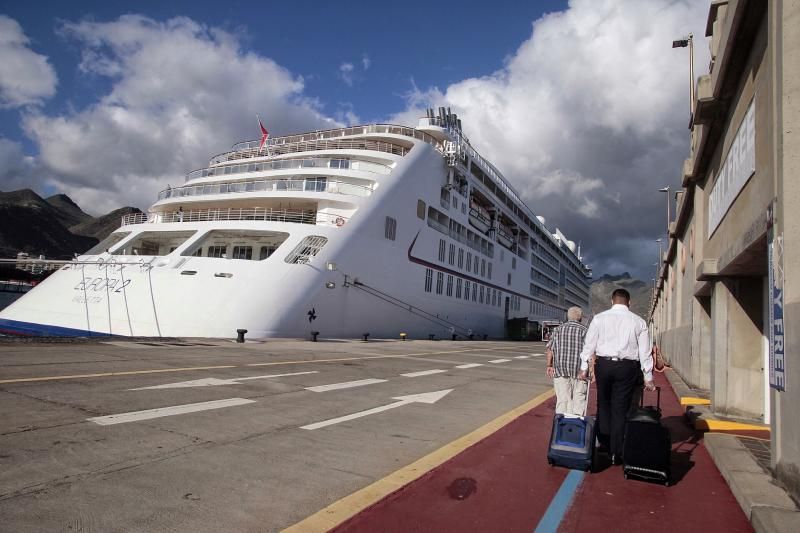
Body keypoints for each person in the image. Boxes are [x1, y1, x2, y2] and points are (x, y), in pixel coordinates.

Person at [578, 288, 655, 465]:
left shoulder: (599, 318)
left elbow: (589, 345)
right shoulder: (639, 322)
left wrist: (584, 368)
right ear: (629, 302)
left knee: (603, 403)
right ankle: (616, 451)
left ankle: (604, 443)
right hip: (627, 366)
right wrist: (648, 376)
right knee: (620, 407)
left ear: (612, 301)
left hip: (603, 365)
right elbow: (645, 352)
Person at [546, 307, 589, 415]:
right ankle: (576, 425)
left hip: (561, 370)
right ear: (580, 318)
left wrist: (549, 365)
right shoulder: (585, 330)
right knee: (578, 399)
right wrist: (592, 370)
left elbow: (550, 349)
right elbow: (590, 352)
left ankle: (562, 425)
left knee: (562, 400)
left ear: (568, 316)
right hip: (579, 371)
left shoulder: (558, 329)